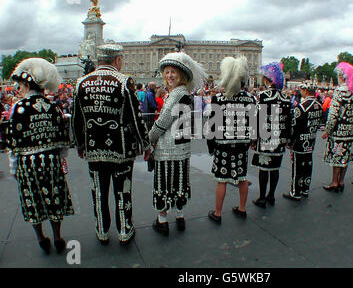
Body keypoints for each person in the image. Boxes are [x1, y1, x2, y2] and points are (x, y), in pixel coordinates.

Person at [71, 44, 151, 245]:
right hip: (121, 148)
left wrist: (80, 144)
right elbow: (136, 117)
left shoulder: (81, 82)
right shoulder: (125, 82)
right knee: (122, 190)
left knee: (98, 191)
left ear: (99, 61)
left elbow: (76, 119)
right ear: (117, 60)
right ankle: (124, 229)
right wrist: (146, 144)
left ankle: (102, 230)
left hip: (93, 148)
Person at [6, 58, 74, 254]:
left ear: (27, 84)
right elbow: (63, 139)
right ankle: (58, 235)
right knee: (54, 197)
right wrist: (62, 160)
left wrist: (13, 168)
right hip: (51, 160)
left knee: (32, 199)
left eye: (21, 85)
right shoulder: (53, 107)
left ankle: (40, 237)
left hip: (28, 162)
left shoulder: (18, 108)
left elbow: (14, 142)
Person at [148, 52, 206, 236]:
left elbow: (163, 122)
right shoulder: (185, 94)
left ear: (181, 75)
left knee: (164, 183)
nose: (169, 75)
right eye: (166, 72)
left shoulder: (175, 95)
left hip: (167, 148)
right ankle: (180, 217)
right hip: (183, 147)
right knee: (180, 182)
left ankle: (163, 220)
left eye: (173, 72)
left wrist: (149, 138)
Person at [206, 56, 256, 223]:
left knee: (222, 180)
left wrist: (210, 145)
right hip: (242, 145)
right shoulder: (250, 99)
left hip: (223, 145)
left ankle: (218, 213)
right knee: (242, 176)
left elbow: (212, 127)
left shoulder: (219, 99)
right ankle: (242, 208)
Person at [251, 62, 291, 207]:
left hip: (266, 137)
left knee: (264, 169)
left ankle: (262, 197)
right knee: (275, 169)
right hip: (279, 138)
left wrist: (253, 139)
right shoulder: (286, 98)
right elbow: (288, 121)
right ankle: (271, 195)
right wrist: (287, 138)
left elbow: (256, 118)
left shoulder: (263, 96)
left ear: (268, 80)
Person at [322, 62, 353, 192]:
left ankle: (334, 181)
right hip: (349, 131)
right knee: (345, 156)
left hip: (338, 132)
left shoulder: (339, 92)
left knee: (337, 156)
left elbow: (333, 114)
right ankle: (342, 180)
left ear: (342, 76)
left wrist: (328, 130)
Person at [285, 82, 322, 200]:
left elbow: (294, 126)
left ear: (305, 91)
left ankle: (295, 191)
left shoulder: (301, 107)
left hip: (300, 142)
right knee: (308, 164)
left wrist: (290, 141)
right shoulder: (319, 105)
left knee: (297, 167)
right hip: (311, 140)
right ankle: (305, 188)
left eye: (302, 89)